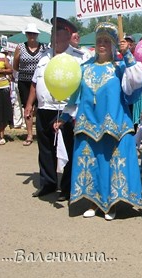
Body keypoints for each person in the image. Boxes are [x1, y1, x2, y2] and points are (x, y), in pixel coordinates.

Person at [55, 22, 142, 220]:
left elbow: (137, 82)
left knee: (110, 164)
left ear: (113, 45)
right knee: (92, 163)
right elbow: (74, 96)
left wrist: (127, 55)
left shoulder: (120, 68)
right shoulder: (84, 68)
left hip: (114, 125)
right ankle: (93, 203)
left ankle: (110, 205)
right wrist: (63, 117)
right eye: (99, 41)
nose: (102, 44)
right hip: (88, 124)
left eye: (106, 41)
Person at [25, 17, 86, 199]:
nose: (54, 39)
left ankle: (67, 188)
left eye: (57, 36)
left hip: (66, 110)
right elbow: (35, 82)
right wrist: (29, 104)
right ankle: (48, 183)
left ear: (68, 37)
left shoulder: (77, 58)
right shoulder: (45, 55)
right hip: (45, 108)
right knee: (45, 147)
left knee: (67, 147)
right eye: (52, 35)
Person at [13, 23, 47, 146]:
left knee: (40, 107)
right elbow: (15, 64)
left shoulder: (44, 47)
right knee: (27, 108)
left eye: (34, 33)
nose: (31, 35)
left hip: (40, 80)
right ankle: (29, 134)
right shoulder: (20, 47)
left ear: (37, 35)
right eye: (29, 33)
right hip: (24, 81)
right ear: (26, 35)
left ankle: (40, 131)